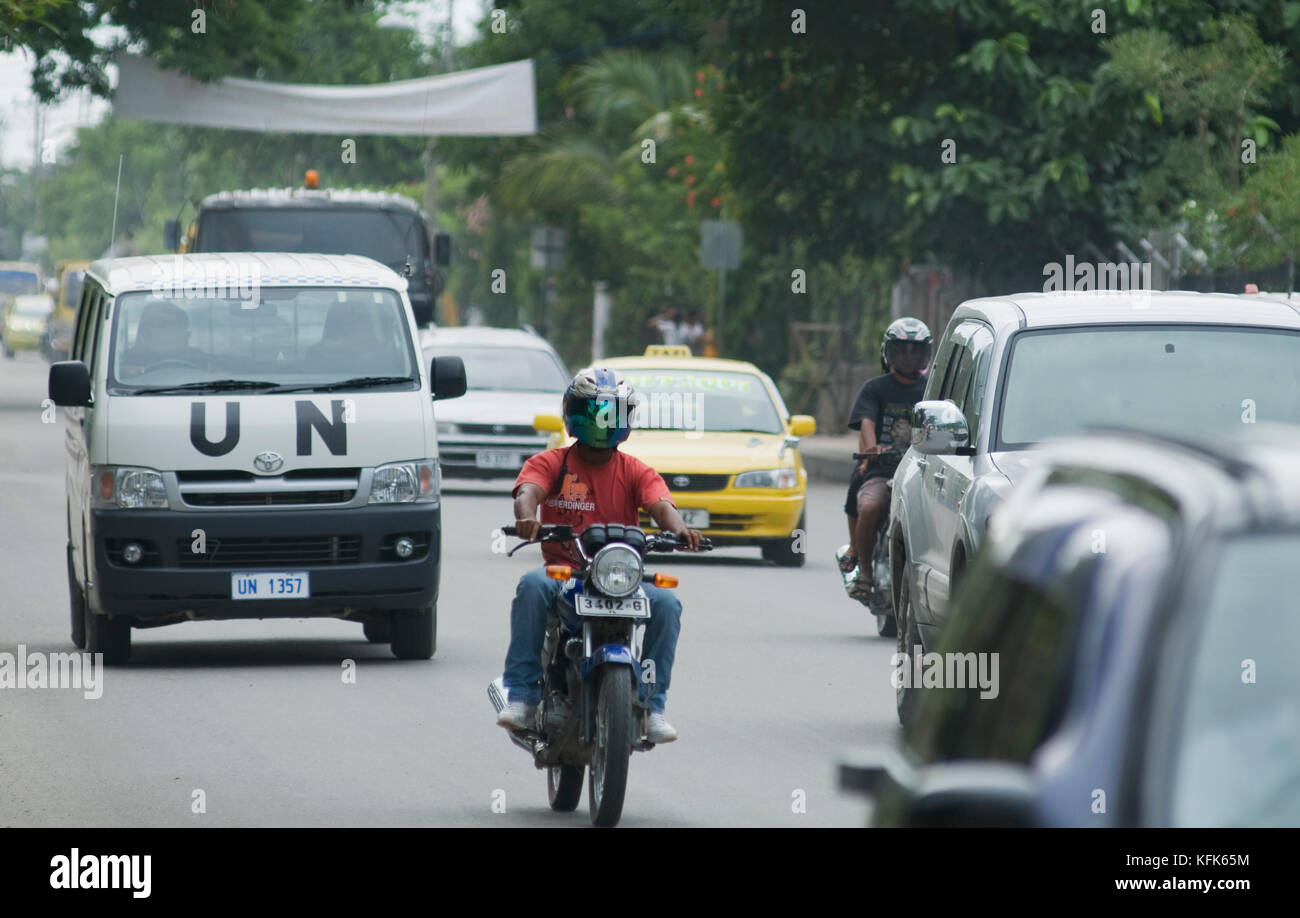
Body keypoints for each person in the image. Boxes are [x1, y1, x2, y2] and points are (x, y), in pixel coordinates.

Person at [498, 367, 703, 743]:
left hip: (619, 578)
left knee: (668, 604)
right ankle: (523, 696)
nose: (601, 423)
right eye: (593, 412)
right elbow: (528, 492)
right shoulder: (552, 463)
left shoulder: (636, 470)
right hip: (565, 573)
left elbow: (660, 505)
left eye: (611, 412)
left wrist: (680, 529)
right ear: (573, 413)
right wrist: (527, 518)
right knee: (531, 586)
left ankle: (652, 705)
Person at [842, 317, 933, 601]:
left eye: (915, 350)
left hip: (922, 471)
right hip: (883, 469)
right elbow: (866, 423)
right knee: (869, 506)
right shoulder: (875, 388)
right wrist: (872, 449)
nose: (908, 356)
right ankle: (865, 570)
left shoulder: (934, 390)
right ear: (888, 352)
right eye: (901, 349)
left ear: (925, 354)